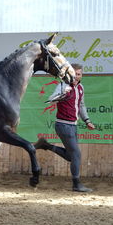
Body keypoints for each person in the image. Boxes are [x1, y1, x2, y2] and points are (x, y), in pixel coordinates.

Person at [34, 63, 95, 192]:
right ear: (69, 74)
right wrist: (61, 95)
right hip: (63, 125)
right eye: (75, 74)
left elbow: (82, 106)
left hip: (73, 125)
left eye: (79, 74)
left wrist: (87, 120)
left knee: (70, 156)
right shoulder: (63, 86)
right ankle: (76, 184)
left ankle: (46, 145)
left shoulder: (81, 88)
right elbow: (51, 99)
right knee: (76, 154)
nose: (77, 76)